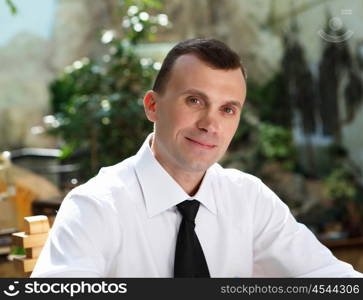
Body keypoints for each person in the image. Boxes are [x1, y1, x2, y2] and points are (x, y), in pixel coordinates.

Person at [32, 38, 362, 278]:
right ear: (152, 105)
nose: (210, 125)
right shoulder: (94, 207)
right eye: (194, 101)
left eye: (228, 109)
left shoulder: (249, 198)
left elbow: (331, 280)